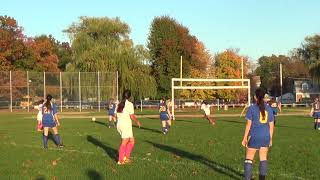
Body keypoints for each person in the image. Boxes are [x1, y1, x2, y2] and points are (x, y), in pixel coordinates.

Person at [242, 88, 274, 180]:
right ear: (264, 97)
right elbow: (271, 126)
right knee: (263, 158)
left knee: (249, 159)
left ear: (255, 97)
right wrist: (270, 139)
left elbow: (248, 125)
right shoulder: (269, 108)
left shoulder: (252, 108)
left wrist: (244, 138)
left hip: (255, 136)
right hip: (265, 136)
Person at [116, 90, 141, 165]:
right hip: (126, 125)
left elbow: (115, 115)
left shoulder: (119, 103)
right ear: (129, 96)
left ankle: (126, 157)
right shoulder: (129, 104)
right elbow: (132, 116)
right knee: (124, 142)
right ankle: (120, 160)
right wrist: (137, 121)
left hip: (120, 124)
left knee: (132, 141)